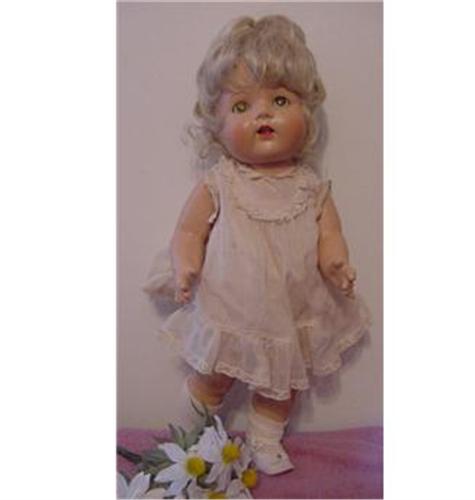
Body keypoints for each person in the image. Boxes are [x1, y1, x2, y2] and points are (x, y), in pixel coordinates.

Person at [144, 15, 370, 475]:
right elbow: (188, 231)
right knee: (213, 375)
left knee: (280, 386)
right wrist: (185, 265)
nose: (262, 115)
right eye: (242, 106)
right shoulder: (222, 181)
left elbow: (330, 234)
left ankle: (266, 439)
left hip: (290, 312)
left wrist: (337, 263)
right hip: (229, 309)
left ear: (306, 112)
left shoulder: (310, 187)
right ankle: (190, 434)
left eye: (279, 100)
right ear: (217, 124)